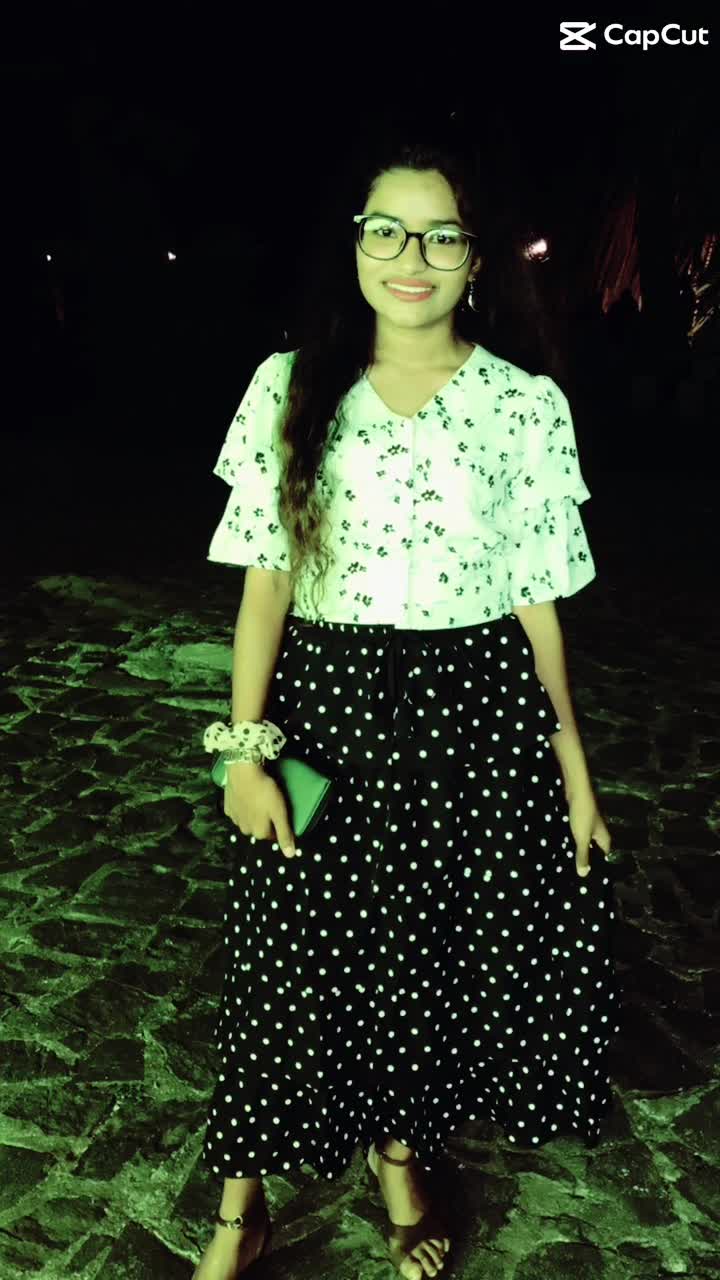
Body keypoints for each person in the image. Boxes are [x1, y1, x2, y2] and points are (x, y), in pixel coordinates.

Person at [192, 120, 620, 1280]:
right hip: (323, 709)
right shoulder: (290, 386)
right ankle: (239, 1209)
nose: (411, 256)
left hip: (472, 714)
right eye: (387, 230)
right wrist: (245, 750)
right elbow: (266, 584)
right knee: (284, 956)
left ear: (477, 259)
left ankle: (397, 1157)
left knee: (421, 959)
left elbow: (536, 601)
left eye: (441, 235)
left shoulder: (523, 405)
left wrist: (575, 773)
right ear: (355, 246)